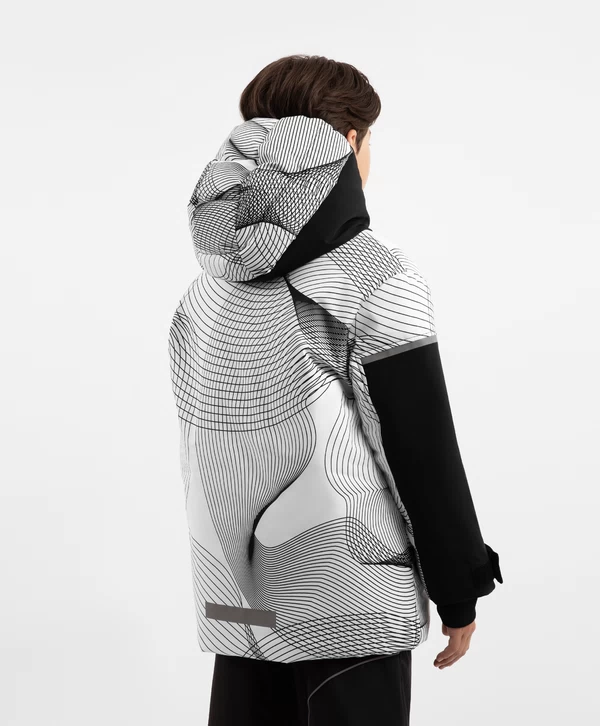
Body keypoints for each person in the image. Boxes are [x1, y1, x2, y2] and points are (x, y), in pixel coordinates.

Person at [168, 53, 503, 726]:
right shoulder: (374, 276)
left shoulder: (207, 290)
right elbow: (417, 445)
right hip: (349, 604)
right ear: (349, 143)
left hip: (241, 607)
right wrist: (459, 587)